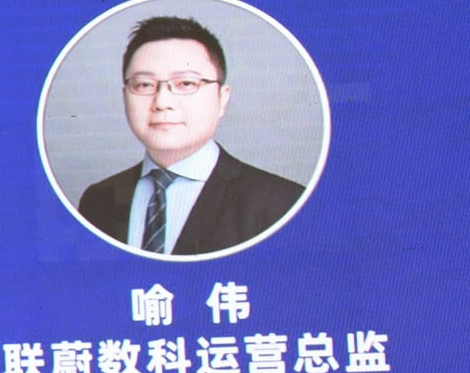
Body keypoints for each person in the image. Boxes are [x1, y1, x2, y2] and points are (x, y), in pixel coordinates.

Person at [70, 15, 303, 259]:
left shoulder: (282, 204)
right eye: (144, 85)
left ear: (222, 99)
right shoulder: (98, 200)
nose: (162, 102)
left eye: (186, 83)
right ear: (125, 96)